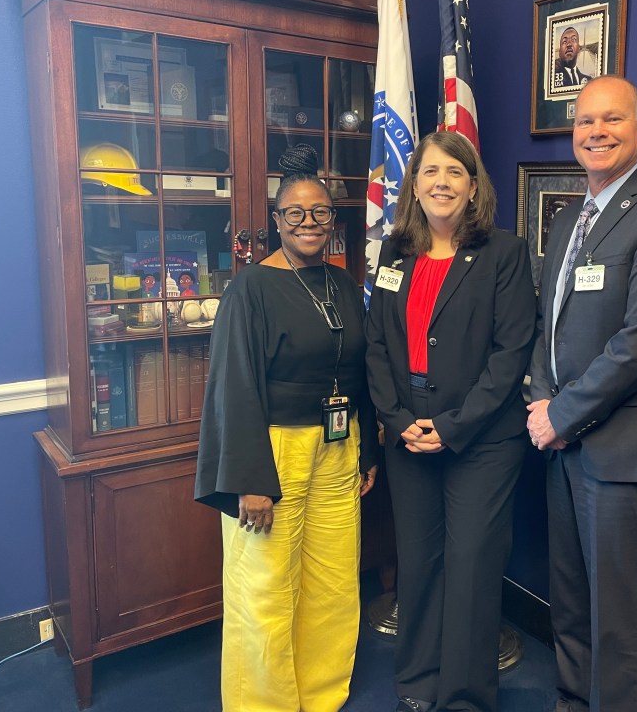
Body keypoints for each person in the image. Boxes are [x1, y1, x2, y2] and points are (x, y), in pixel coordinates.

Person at [527, 75, 637, 712]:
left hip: (625, 450)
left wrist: (562, 415)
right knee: (570, 607)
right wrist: (544, 403)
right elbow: (549, 326)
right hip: (562, 445)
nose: (596, 132)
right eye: (584, 122)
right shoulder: (572, 218)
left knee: (619, 627)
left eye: (612, 120)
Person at [194, 145, 378, 712]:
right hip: (274, 453)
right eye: (294, 213)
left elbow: (360, 368)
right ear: (276, 221)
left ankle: (320, 693)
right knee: (266, 586)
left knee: (332, 581)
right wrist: (251, 479)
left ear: (333, 220)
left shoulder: (343, 285)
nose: (308, 223)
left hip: (337, 448)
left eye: (320, 212)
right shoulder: (250, 289)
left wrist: (365, 448)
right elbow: (234, 387)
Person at [365, 131, 536, 712]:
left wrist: (454, 426)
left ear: (473, 185)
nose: (441, 182)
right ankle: (416, 682)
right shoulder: (394, 252)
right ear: (413, 183)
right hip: (407, 435)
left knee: (470, 569)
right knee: (418, 563)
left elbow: (511, 354)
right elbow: (377, 346)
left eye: (455, 172)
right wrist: (396, 417)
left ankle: (464, 697)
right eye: (431, 171)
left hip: (482, 441)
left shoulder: (504, 255)